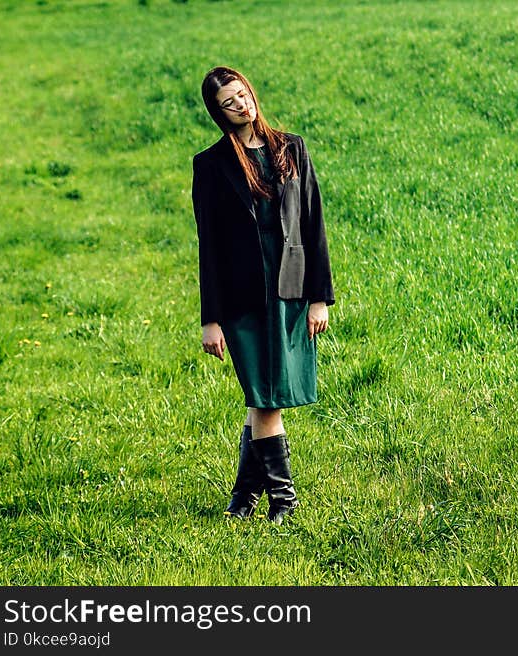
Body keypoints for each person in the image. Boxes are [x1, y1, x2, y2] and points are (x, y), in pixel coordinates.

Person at [191, 66, 335, 524]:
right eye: (228, 102)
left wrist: (320, 297)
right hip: (240, 299)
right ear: (218, 112)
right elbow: (208, 246)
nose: (240, 105)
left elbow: (313, 224)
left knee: (263, 397)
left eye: (242, 95)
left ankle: (244, 498)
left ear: (251, 92)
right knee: (265, 395)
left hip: (290, 289)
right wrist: (210, 318)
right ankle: (283, 501)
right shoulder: (211, 165)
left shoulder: (291, 148)